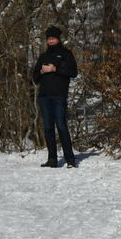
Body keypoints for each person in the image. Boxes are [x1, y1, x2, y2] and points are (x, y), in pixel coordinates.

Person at [30, 25, 79, 168]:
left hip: (59, 95)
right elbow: (35, 77)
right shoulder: (43, 56)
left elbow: (73, 72)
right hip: (44, 96)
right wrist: (41, 70)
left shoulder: (66, 53)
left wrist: (55, 69)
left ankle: (70, 160)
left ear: (58, 39)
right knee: (47, 128)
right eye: (49, 39)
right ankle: (52, 159)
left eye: (53, 38)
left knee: (62, 126)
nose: (51, 41)